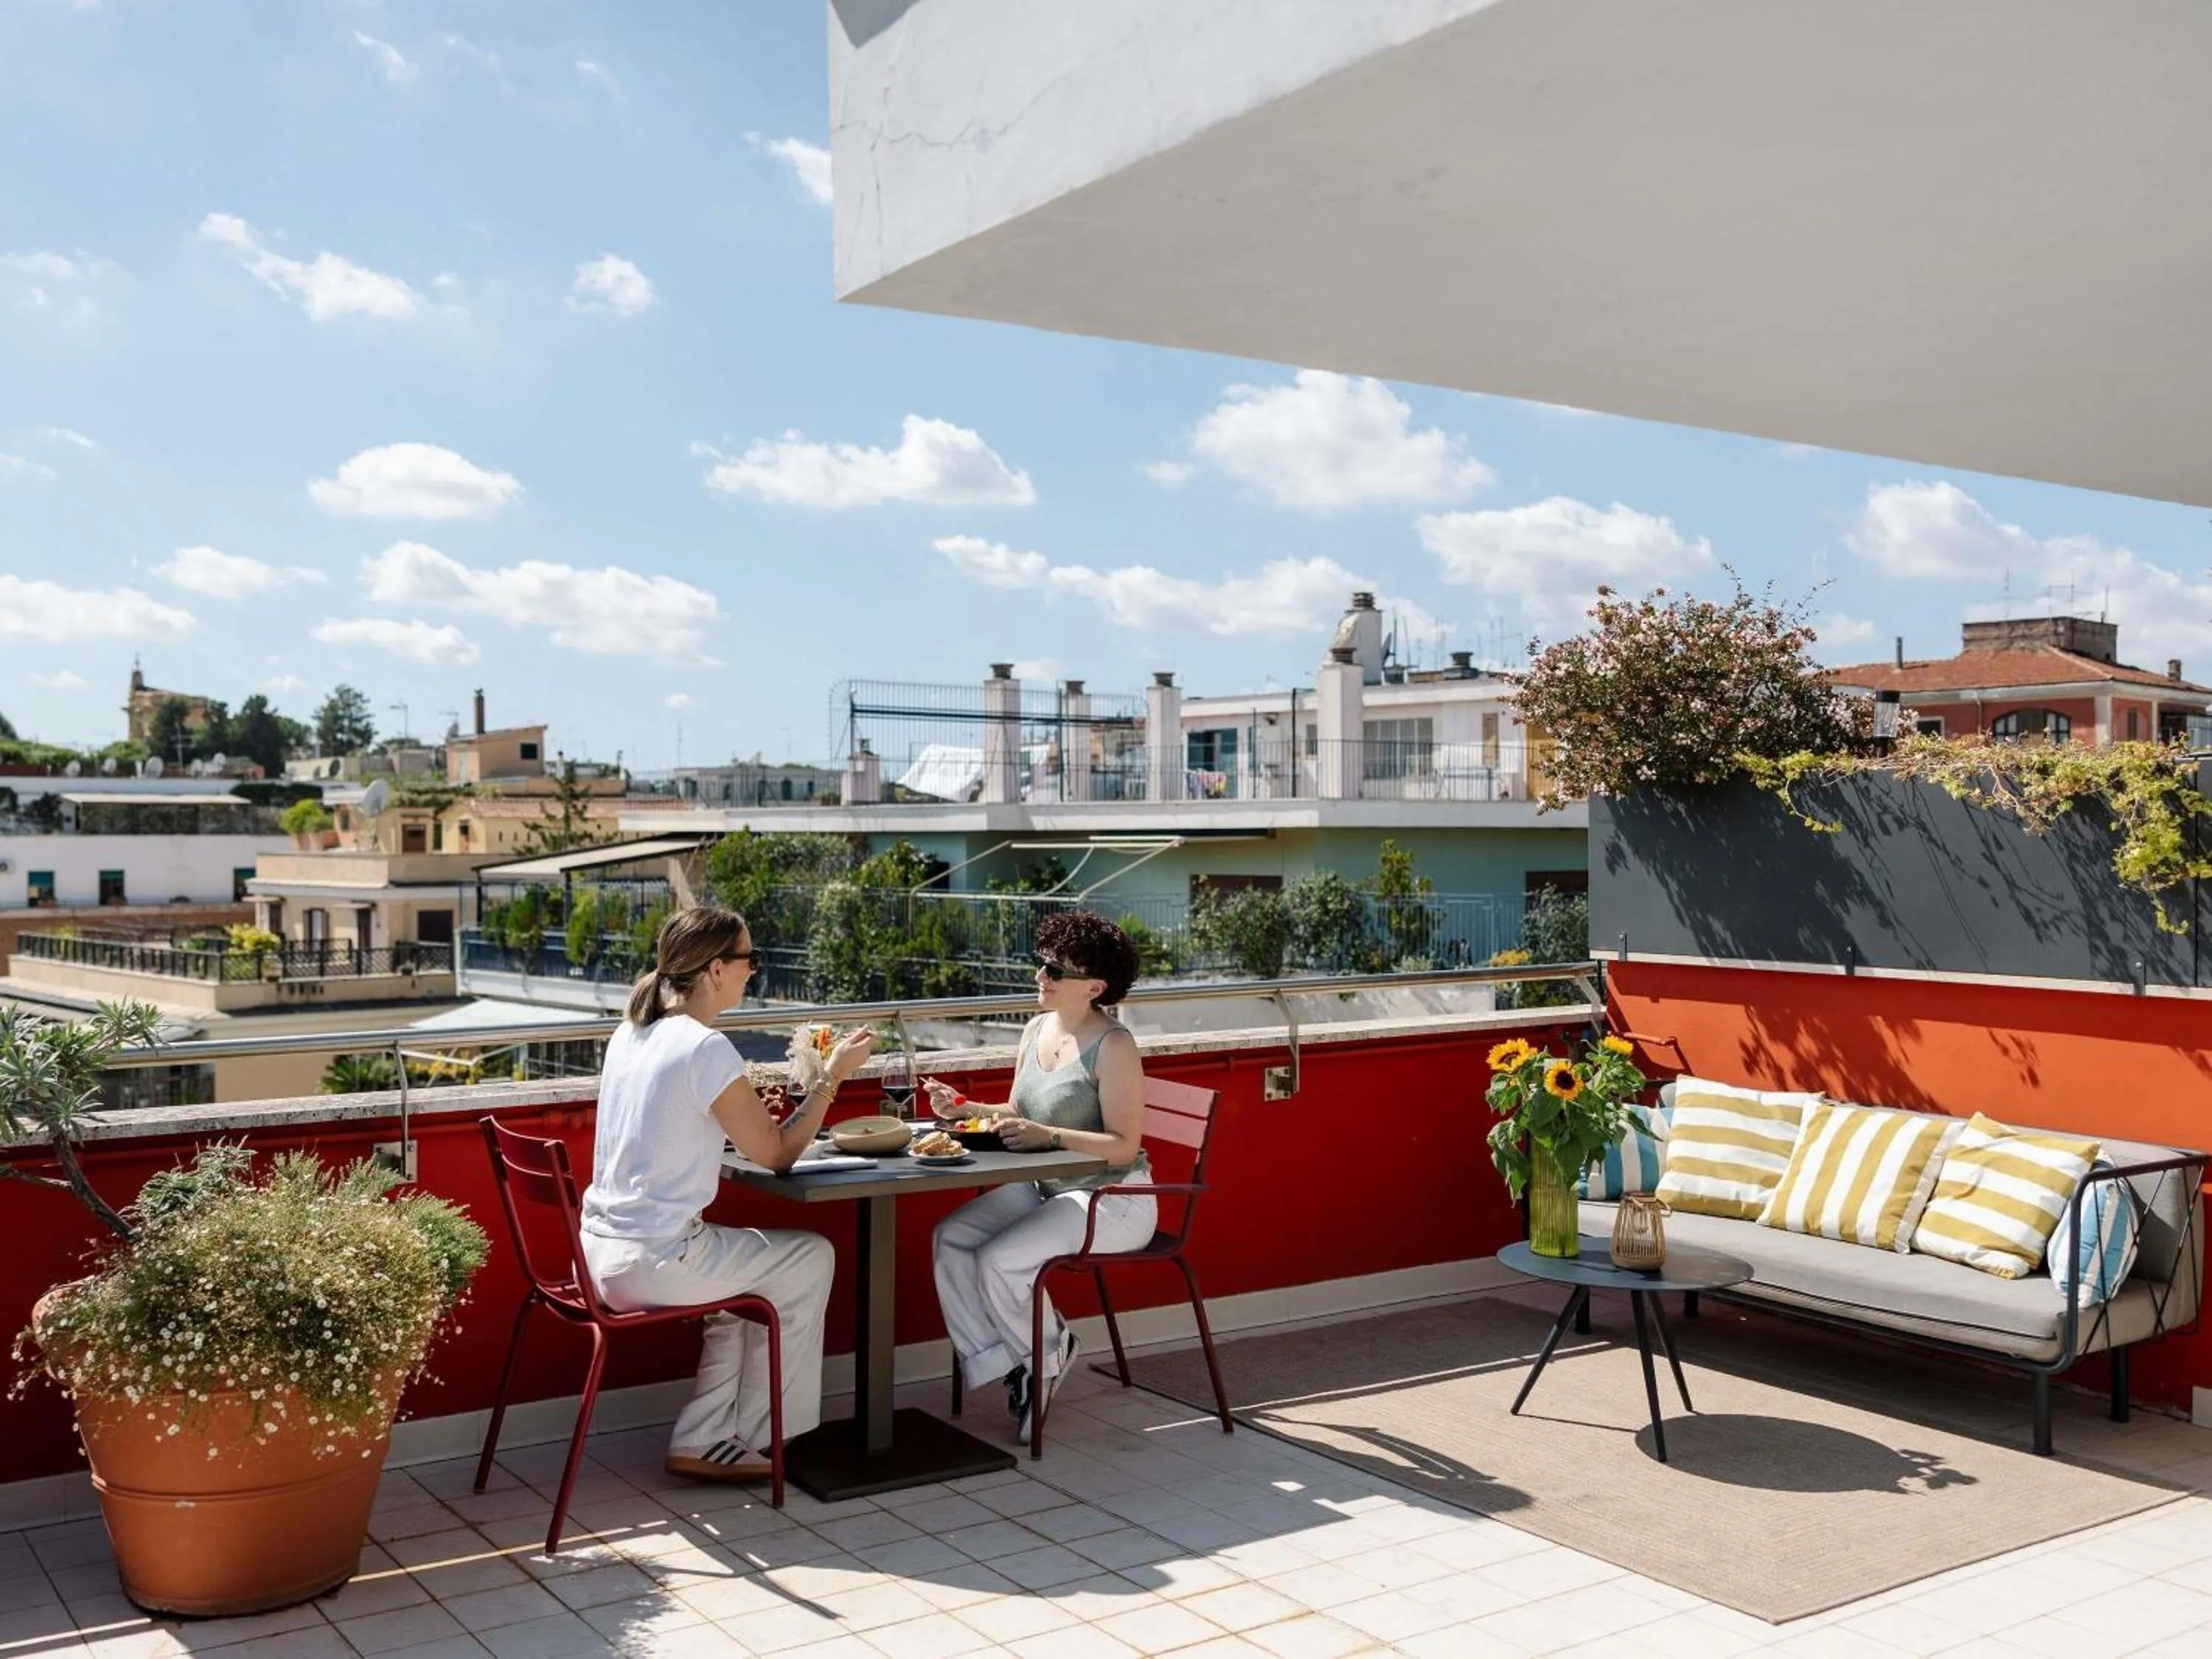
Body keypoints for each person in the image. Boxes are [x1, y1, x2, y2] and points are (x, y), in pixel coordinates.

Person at [579, 904, 872, 1480]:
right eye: (749, 959)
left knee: (747, 1282)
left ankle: (706, 1435)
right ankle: (768, 1437)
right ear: (716, 969)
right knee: (811, 1256)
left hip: (600, 1252)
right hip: (654, 1259)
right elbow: (778, 1155)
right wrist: (832, 1076)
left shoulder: (632, 1032)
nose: (753, 971)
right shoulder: (704, 1047)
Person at [926, 910, 1157, 1443]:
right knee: (951, 1239)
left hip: (1115, 1198)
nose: (1042, 976)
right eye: (1042, 964)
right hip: (1051, 1187)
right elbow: (1015, 1109)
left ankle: (1046, 1357)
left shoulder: (1115, 1047)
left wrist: (1049, 1138)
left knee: (999, 1259)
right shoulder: (1035, 1030)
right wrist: (961, 1109)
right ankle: (1015, 1363)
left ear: (1094, 987)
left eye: (1056, 970)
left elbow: (1125, 1145)